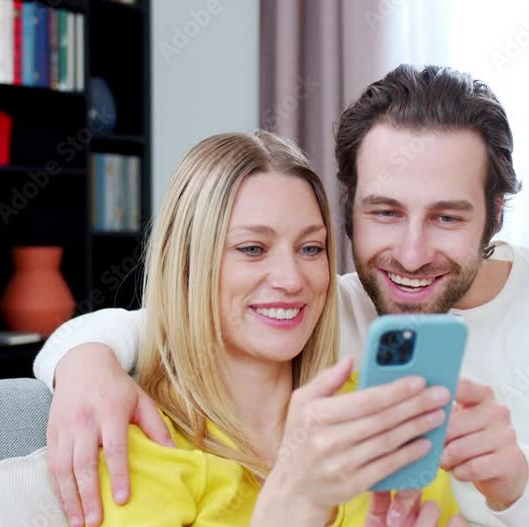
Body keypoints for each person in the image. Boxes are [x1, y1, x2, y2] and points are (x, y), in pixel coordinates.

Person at [36, 64, 529, 526]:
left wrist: (520, 477)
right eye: (385, 212)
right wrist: (83, 361)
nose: (410, 255)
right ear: (349, 207)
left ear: (495, 214)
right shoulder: (324, 307)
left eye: (446, 217)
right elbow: (183, 312)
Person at [67, 129, 468, 526]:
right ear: (186, 266)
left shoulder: (385, 418)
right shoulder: (140, 448)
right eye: (253, 249)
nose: (291, 280)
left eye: (310, 248)